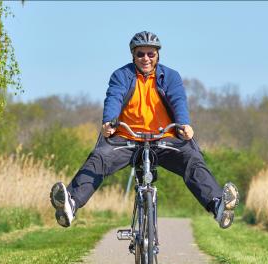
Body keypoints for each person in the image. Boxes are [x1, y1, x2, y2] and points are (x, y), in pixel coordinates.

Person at [50, 31, 239, 229]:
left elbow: (178, 100)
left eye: (151, 54)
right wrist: (109, 122)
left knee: (192, 158)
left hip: (163, 139)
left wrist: (184, 124)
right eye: (141, 54)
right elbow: (114, 97)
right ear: (133, 55)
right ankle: (70, 204)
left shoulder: (171, 77)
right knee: (99, 158)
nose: (146, 59)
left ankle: (218, 206)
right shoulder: (121, 75)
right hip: (127, 139)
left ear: (158, 55)